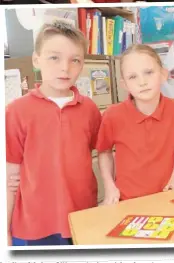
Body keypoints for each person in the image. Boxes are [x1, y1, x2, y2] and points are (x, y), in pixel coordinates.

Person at [6, 21, 102, 246]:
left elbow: (100, 153)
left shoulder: (89, 108)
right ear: (36, 60)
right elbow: (10, 173)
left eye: (75, 60)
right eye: (54, 57)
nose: (65, 68)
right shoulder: (16, 110)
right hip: (32, 224)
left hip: (82, 216)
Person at [96, 44, 174, 204]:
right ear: (124, 84)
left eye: (148, 72)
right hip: (127, 200)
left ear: (163, 75)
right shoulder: (113, 115)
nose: (142, 82)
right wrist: (109, 185)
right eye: (132, 77)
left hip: (166, 195)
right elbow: (104, 152)